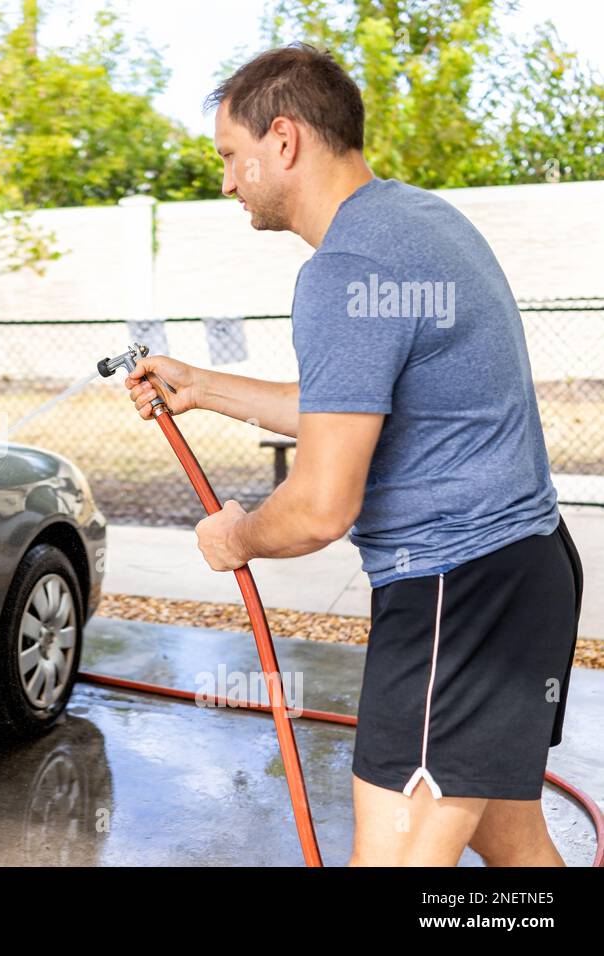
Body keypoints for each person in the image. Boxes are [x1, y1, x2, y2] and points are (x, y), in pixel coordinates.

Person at [125, 43, 583, 866]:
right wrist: (203, 385)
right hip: (522, 573)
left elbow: (320, 507)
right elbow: (353, 412)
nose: (227, 181)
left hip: (457, 593)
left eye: (233, 156)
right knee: (515, 847)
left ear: (285, 140)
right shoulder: (416, 220)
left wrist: (237, 538)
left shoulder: (346, 270)